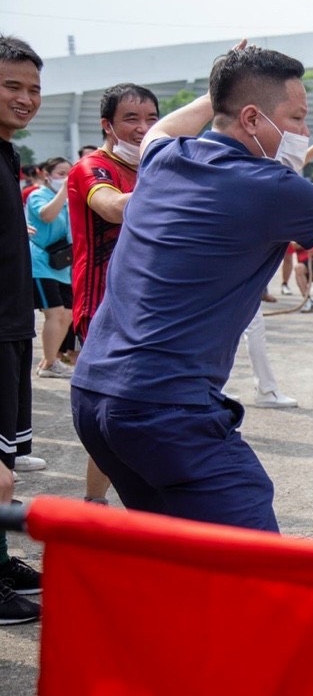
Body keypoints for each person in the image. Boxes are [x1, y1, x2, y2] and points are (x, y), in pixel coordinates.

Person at [69, 43, 313, 531]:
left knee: (176, 553)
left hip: (93, 395)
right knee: (252, 563)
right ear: (254, 118)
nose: (302, 133)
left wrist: (220, 86)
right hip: (165, 408)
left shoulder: (167, 157)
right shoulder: (267, 185)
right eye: (296, 118)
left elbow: (161, 128)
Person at [67, 81, 160, 505]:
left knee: (140, 412)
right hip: (102, 309)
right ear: (107, 125)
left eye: (152, 119)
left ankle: (122, 504)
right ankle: (95, 505)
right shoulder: (92, 168)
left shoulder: (152, 168)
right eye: (131, 119)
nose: (143, 128)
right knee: (113, 415)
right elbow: (110, 206)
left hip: (148, 308)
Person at [0, 35, 44, 624]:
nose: (26, 98)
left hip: (13, 324)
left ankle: (2, 556)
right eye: (12, 85)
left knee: (5, 459)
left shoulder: (9, 153)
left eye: (34, 88)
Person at [25, 156, 74, 378]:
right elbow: (47, 215)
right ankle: (49, 362)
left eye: (68, 174)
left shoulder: (67, 199)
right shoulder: (39, 195)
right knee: (54, 313)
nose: (65, 178)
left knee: (68, 314)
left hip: (61, 263)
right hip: (41, 262)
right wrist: (64, 190)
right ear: (46, 174)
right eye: (60, 173)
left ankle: (49, 360)